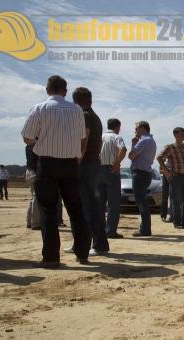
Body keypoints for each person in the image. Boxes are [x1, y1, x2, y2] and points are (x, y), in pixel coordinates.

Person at [21, 75, 91, 267]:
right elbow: (81, 135)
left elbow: (27, 137)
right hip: (70, 164)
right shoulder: (76, 110)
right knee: (76, 209)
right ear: (65, 91)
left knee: (48, 210)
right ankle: (82, 253)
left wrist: (41, 139)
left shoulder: (39, 108)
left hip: (47, 164)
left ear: (47, 90)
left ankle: (51, 257)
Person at [72, 87, 110, 255]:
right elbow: (98, 143)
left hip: (86, 164)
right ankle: (82, 243)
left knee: (89, 207)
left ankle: (98, 244)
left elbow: (84, 139)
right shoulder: (95, 117)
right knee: (90, 206)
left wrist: (77, 160)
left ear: (75, 102)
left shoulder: (85, 116)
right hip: (93, 163)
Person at [157, 127, 184, 229]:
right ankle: (177, 223)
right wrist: (166, 171)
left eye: (183, 134)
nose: (183, 136)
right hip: (176, 177)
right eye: (181, 134)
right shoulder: (170, 147)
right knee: (176, 201)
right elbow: (159, 157)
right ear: (175, 135)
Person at [99, 118, 127, 239]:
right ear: (118, 127)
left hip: (98, 170)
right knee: (113, 203)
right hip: (111, 170)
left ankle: (99, 228)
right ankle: (110, 230)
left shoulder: (100, 137)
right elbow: (123, 149)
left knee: (99, 202)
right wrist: (116, 163)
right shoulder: (116, 137)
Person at [129, 121, 157, 237]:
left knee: (141, 202)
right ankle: (145, 228)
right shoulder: (150, 140)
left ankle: (145, 229)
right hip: (145, 173)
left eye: (136, 129)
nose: (135, 131)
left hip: (140, 174)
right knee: (142, 201)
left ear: (143, 128)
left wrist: (133, 144)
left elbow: (131, 155)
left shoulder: (144, 141)